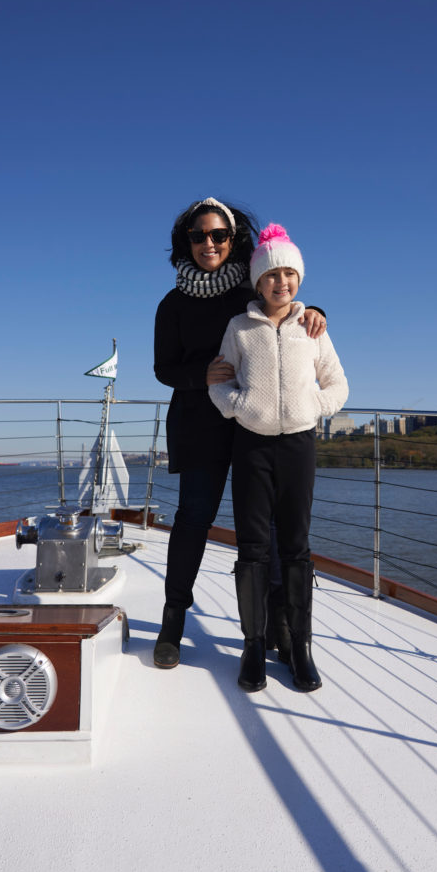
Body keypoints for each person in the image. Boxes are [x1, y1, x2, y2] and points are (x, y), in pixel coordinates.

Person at [153, 198, 327, 670]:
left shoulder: (250, 292)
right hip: (199, 423)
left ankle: (279, 626)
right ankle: (173, 622)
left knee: (267, 531)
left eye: (218, 236)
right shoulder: (172, 304)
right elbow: (162, 368)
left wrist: (317, 311)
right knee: (193, 519)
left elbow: (285, 305)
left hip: (256, 427)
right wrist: (200, 376)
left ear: (234, 241)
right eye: (198, 236)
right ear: (184, 243)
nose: (208, 244)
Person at [209, 223, 348, 693]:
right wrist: (236, 405)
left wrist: (314, 410)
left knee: (296, 547)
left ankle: (300, 646)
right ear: (258, 283)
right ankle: (254, 646)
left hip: (298, 447)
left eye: (289, 275)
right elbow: (220, 380)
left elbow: (338, 385)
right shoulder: (239, 328)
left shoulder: (312, 328)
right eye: (272, 276)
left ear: (299, 280)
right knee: (252, 548)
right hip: (251, 445)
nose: (280, 283)